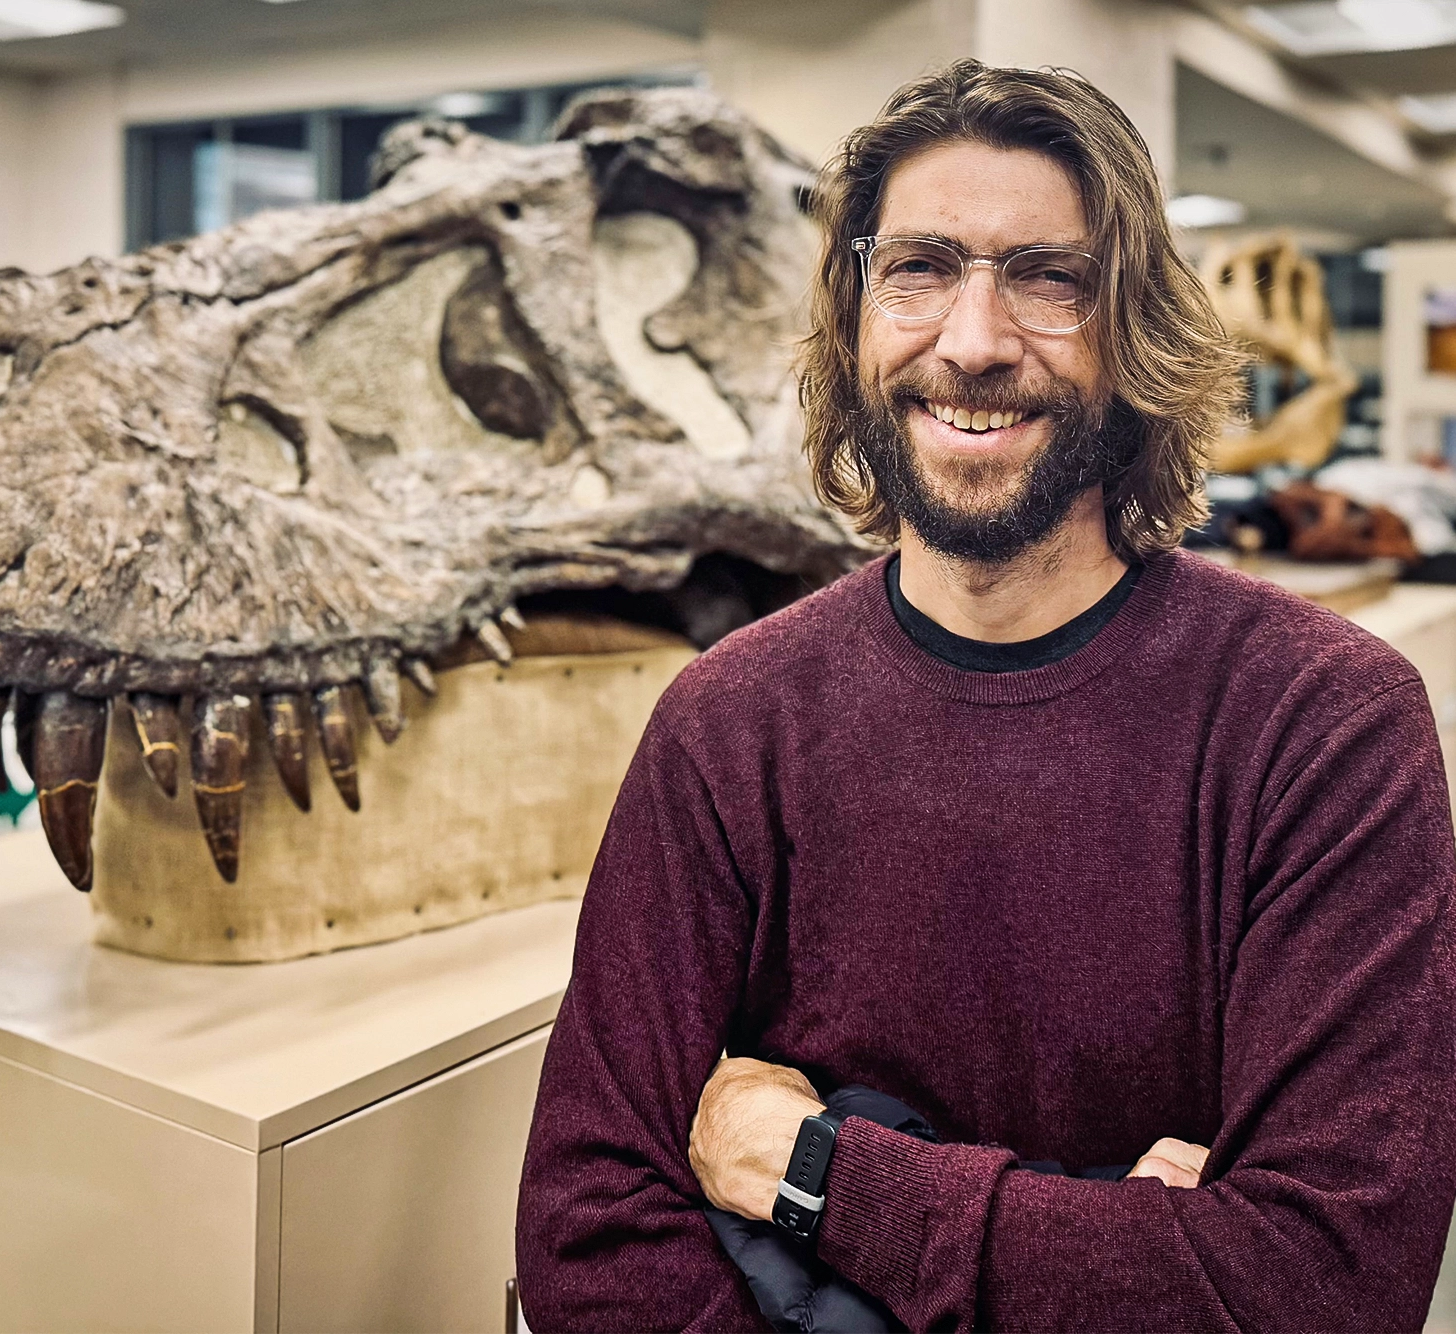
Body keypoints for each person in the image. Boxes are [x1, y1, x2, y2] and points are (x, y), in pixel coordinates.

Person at [515, 59, 1456, 1333]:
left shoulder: (1322, 724)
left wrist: (813, 1170)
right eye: (916, 268)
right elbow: (585, 1224)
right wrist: (1121, 1241)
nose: (970, 341)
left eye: (1045, 277)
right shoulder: (730, 719)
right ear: (855, 322)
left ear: (1132, 333)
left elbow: (1320, 1284)